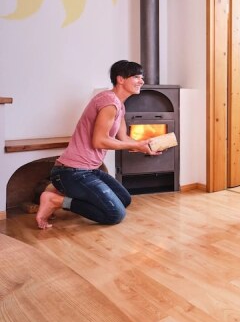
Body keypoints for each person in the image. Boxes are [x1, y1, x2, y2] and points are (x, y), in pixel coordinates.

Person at [36, 60, 160, 229]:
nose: (142, 81)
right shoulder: (109, 102)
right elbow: (99, 141)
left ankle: (58, 188)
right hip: (73, 171)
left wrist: (145, 145)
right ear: (120, 79)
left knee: (124, 199)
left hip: (90, 170)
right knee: (115, 214)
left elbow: (123, 138)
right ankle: (55, 200)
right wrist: (138, 146)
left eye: (142, 77)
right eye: (136, 77)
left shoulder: (119, 105)